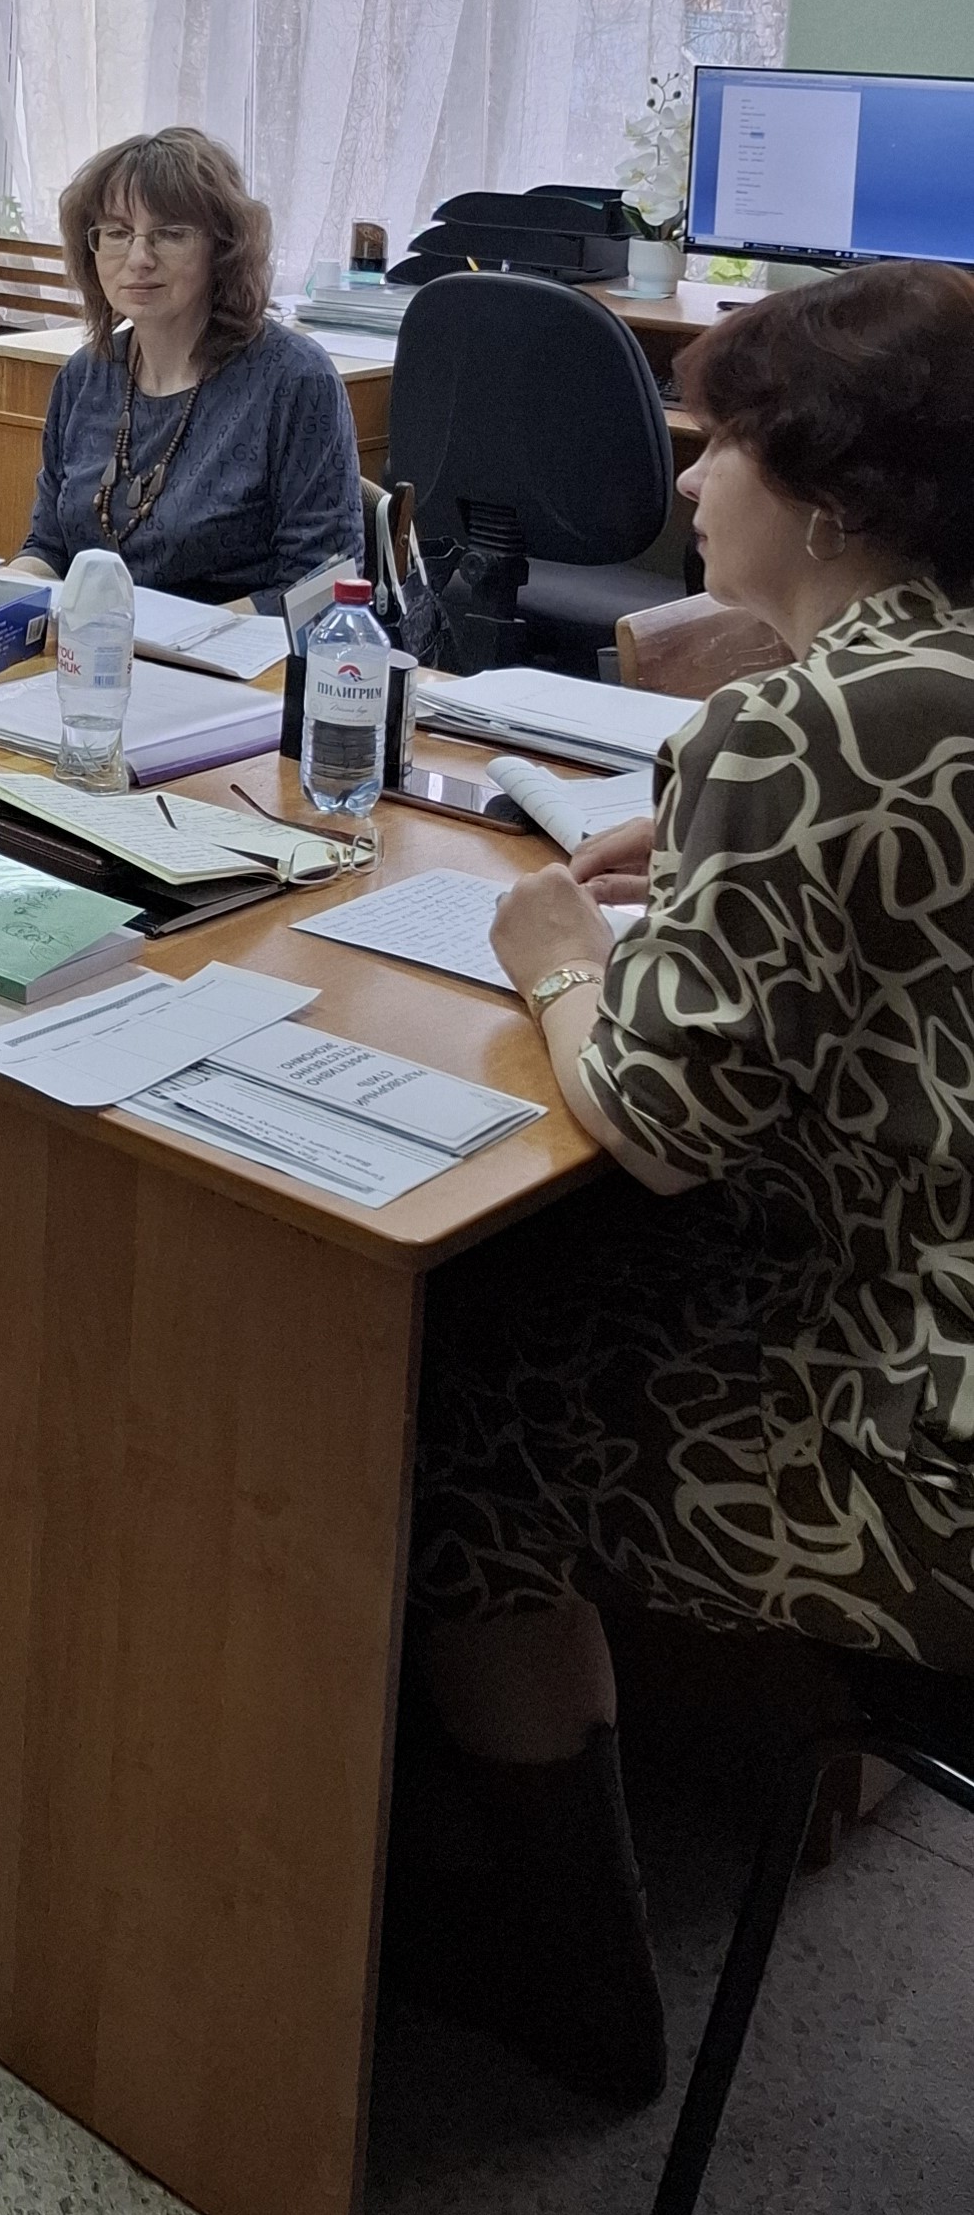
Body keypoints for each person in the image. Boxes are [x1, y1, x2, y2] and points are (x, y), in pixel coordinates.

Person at [392, 259, 974, 2105]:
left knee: (457, 1392)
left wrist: (560, 952)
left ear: (830, 498)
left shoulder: (804, 732)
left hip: (925, 1448)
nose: (691, 483)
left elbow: (653, 1120)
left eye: (720, 447)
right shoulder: (912, 687)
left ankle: (565, 1975)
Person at [20, 126, 359, 606]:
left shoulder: (295, 380)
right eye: (117, 233)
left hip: (235, 647)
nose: (139, 258)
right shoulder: (85, 375)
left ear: (223, 247)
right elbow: (48, 548)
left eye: (171, 234)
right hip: (96, 643)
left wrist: (181, 637)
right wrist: (0, 592)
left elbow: (321, 585)